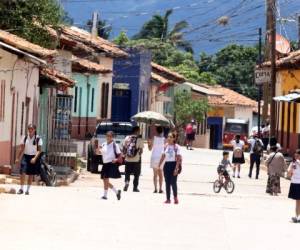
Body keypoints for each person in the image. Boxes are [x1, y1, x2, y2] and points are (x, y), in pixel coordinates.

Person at [15, 124, 43, 195]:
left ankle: (27, 190)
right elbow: (21, 149)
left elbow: (39, 150)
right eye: (29, 129)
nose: (30, 130)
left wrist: (34, 158)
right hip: (25, 156)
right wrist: (17, 158)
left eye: (32, 129)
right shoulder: (24, 138)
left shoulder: (38, 138)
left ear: (34, 130)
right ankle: (21, 189)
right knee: (23, 172)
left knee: (30, 174)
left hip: (33, 157)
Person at [158, 132, 182, 204]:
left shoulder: (177, 147)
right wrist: (159, 165)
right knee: (167, 182)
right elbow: (163, 156)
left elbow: (178, 158)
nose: (169, 138)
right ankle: (168, 199)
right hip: (167, 165)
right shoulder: (165, 146)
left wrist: (176, 168)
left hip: (174, 165)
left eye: (171, 137)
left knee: (173, 182)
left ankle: (175, 197)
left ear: (174, 138)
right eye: (168, 137)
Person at [98, 131, 122, 200]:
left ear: (113, 137)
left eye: (110, 136)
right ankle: (117, 192)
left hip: (110, 164)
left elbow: (120, 155)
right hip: (105, 164)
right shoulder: (104, 144)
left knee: (105, 179)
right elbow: (99, 152)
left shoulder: (115, 145)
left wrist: (116, 159)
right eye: (107, 136)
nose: (108, 137)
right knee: (105, 180)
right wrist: (97, 148)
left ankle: (105, 196)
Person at [122, 126, 144, 192]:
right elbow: (141, 151)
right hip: (136, 159)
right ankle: (135, 188)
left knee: (127, 173)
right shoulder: (139, 139)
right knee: (136, 174)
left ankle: (127, 182)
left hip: (128, 159)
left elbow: (124, 148)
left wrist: (125, 155)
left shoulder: (127, 138)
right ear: (137, 131)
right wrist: (139, 154)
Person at [148, 126, 165, 193]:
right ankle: (160, 189)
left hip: (154, 156)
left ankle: (155, 189)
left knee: (155, 174)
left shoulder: (153, 138)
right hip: (161, 157)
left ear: (156, 131)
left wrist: (149, 144)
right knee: (160, 173)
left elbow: (149, 149)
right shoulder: (164, 139)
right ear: (162, 131)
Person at [287, 149, 300, 223]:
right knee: (297, 201)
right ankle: (297, 216)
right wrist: (292, 168)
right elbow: (288, 174)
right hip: (295, 183)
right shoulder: (293, 163)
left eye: (298, 155)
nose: (296, 156)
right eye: (296, 155)